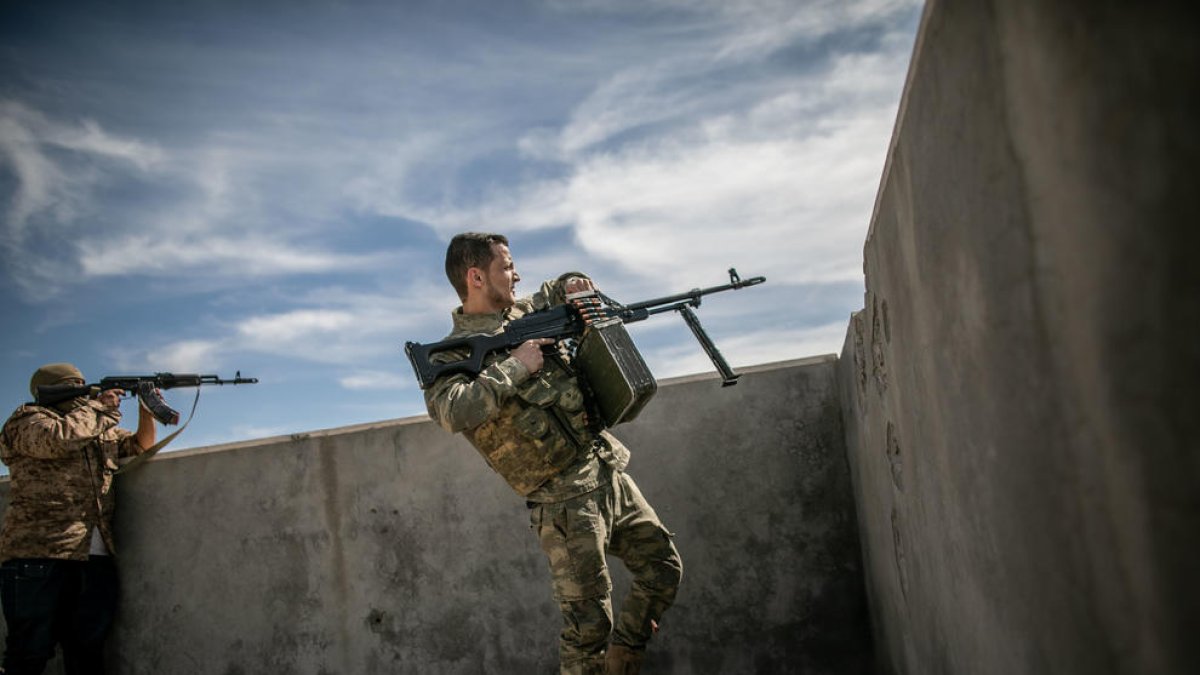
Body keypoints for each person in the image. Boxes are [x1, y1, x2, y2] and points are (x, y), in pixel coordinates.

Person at [423, 233, 683, 674]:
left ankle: (625, 656)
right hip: (563, 504)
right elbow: (451, 410)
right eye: (506, 267)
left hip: (605, 470)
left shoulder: (525, 311)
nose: (516, 274)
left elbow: (558, 286)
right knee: (587, 631)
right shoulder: (452, 353)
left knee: (663, 568)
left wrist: (575, 282)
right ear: (476, 276)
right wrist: (516, 366)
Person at [0, 363, 157, 675]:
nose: (84, 390)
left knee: (86, 653)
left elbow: (140, 446)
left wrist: (146, 405)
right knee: (28, 653)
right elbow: (59, 440)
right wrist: (100, 408)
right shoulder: (28, 419)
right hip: (39, 554)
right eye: (75, 385)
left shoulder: (96, 426)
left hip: (93, 556)